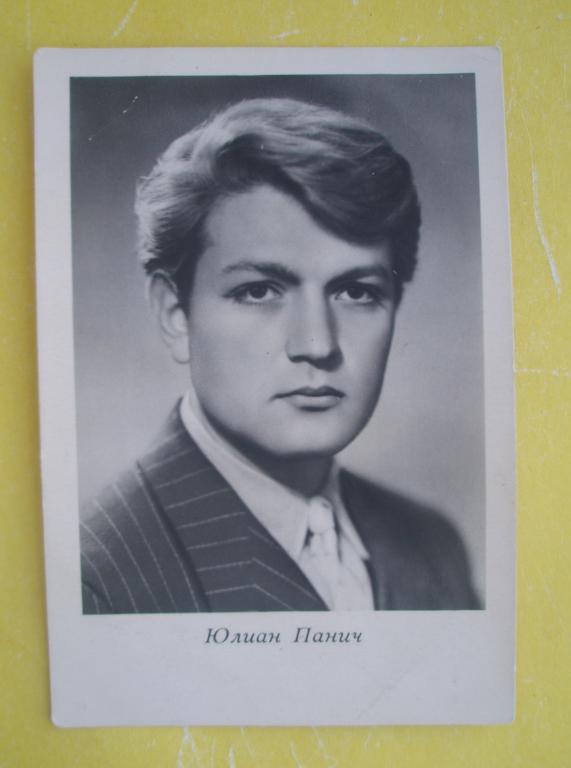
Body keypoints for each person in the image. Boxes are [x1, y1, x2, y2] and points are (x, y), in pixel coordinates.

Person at [80, 98, 480, 613]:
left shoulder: (434, 548)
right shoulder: (98, 580)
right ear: (175, 314)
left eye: (356, 292)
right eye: (259, 291)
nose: (317, 344)